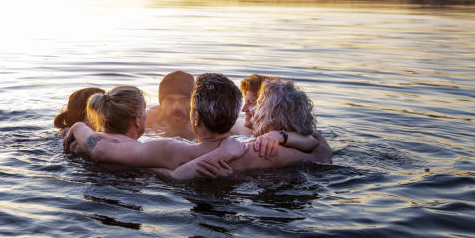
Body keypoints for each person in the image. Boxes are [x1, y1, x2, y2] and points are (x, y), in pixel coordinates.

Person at [63, 74, 327, 174]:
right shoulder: (263, 150)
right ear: (235, 116)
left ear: (195, 116)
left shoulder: (171, 150)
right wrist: (282, 136)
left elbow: (101, 149)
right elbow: (321, 149)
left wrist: (76, 127)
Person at [166, 77, 331, 180]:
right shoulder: (306, 147)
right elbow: (318, 143)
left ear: (274, 118)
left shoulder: (262, 150)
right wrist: (282, 135)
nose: (249, 110)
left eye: (258, 105)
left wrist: (157, 170)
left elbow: (179, 171)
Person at [145, 70, 195, 139]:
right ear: (161, 103)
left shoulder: (205, 125)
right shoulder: (148, 119)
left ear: (194, 103)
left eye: (184, 100)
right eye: (170, 100)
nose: (176, 107)